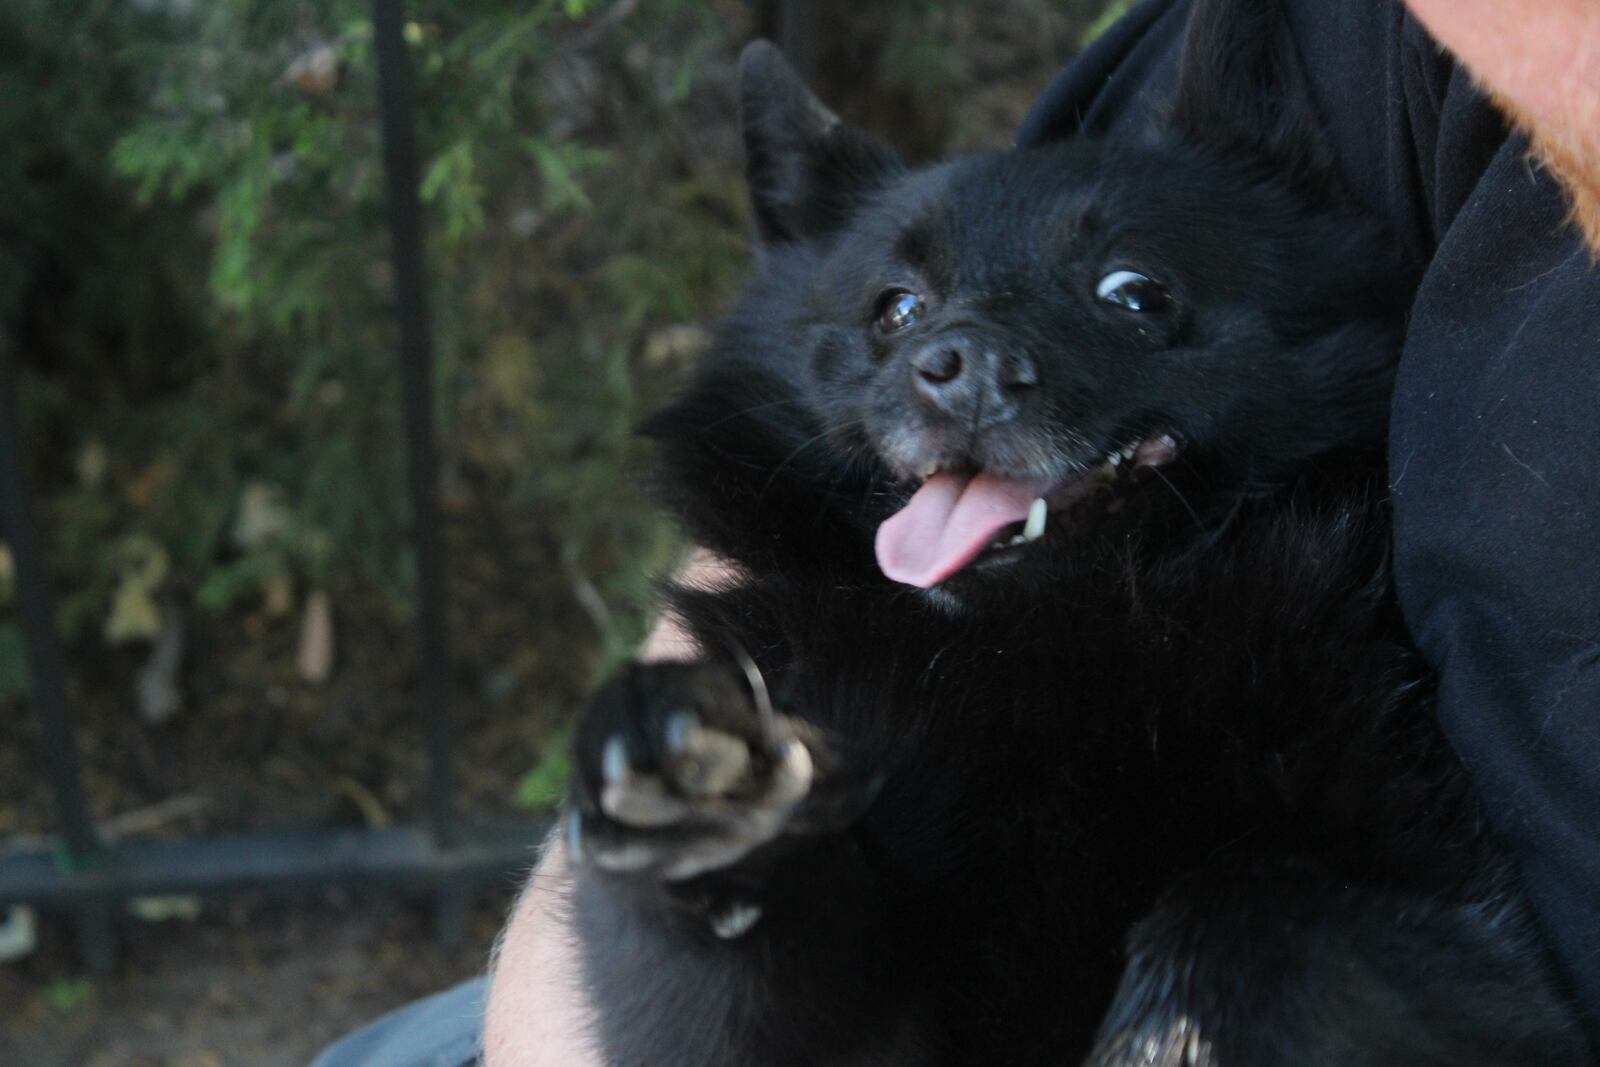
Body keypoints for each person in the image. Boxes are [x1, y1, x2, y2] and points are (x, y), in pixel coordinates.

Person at [311, 1, 1600, 1064]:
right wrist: (683, 852)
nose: (956, 352)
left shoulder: (1301, 699)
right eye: (898, 311)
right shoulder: (1397, 44)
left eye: (1131, 296)